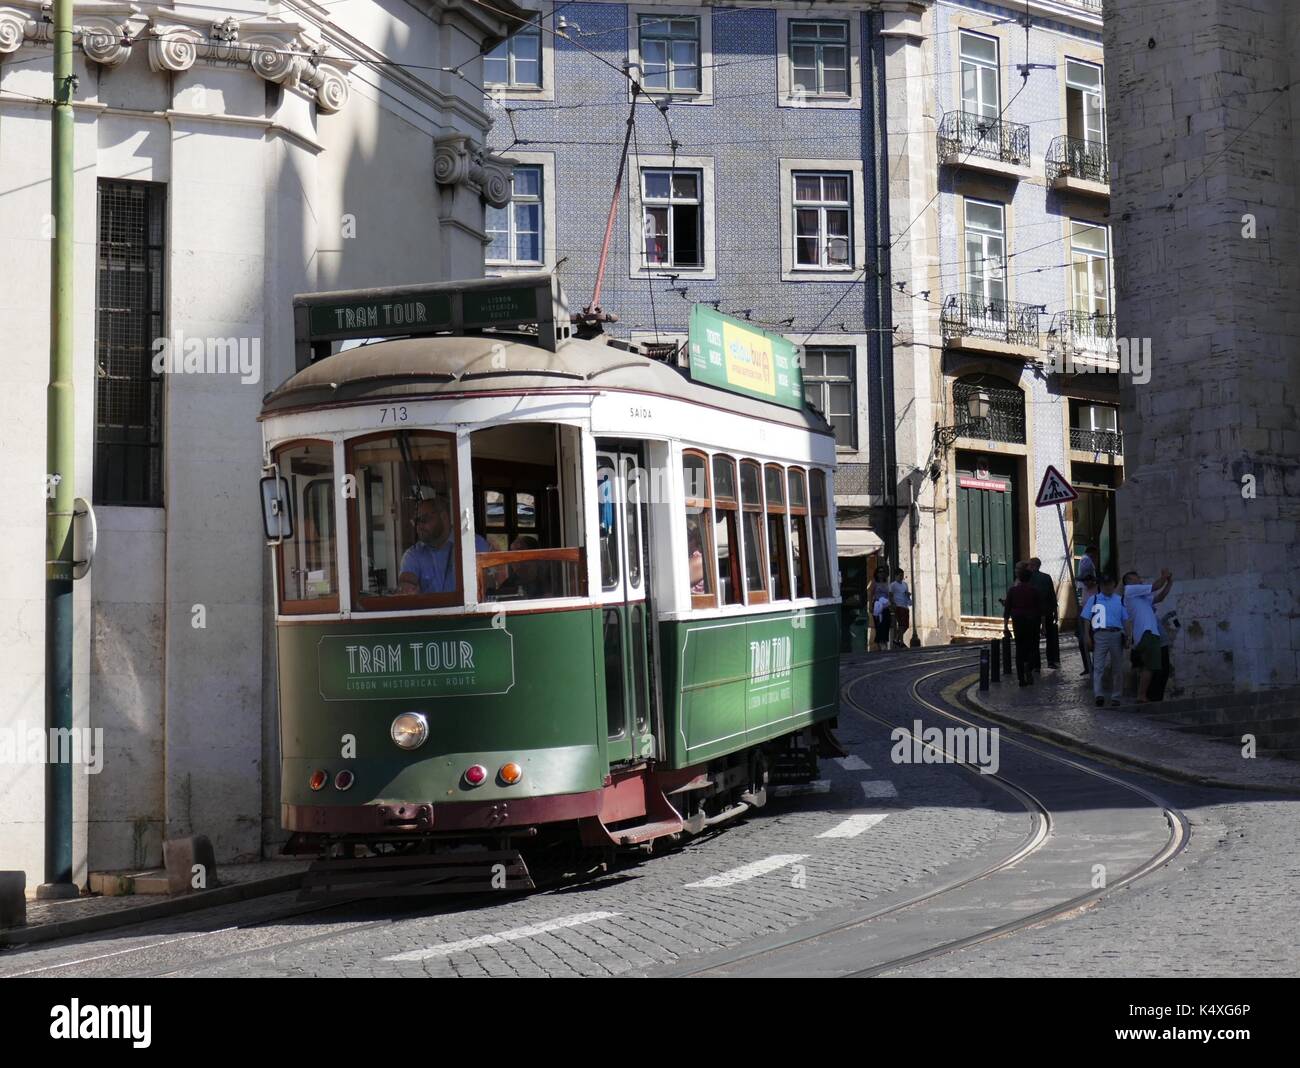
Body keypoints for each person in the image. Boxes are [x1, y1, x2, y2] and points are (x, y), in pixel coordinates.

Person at [398, 495, 490, 595]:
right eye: (416, 522)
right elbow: (407, 585)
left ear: (444, 517)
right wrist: (407, 589)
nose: (419, 526)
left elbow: (492, 584)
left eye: (424, 520)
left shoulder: (473, 544)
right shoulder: (413, 555)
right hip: (430, 610)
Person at [1122, 568, 1174, 703]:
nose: (1140, 580)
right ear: (1130, 581)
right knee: (1149, 666)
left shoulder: (1142, 597)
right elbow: (1155, 586)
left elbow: (1159, 597)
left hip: (1151, 632)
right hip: (1147, 632)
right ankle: (1141, 695)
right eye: (1137, 578)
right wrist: (1163, 576)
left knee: (1151, 665)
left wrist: (1169, 583)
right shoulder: (1129, 591)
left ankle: (1143, 694)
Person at [1083, 573, 1128, 707]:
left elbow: (1125, 620)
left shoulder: (1120, 600)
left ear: (1113, 585)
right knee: (1098, 666)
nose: (1107, 587)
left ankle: (1116, 696)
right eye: (1104, 585)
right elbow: (1086, 618)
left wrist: (1128, 636)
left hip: (1116, 634)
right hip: (1100, 634)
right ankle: (1099, 695)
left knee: (1118, 667)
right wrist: (1087, 635)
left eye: (1109, 584)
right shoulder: (1094, 599)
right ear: (1100, 586)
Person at [1004, 566, 1041, 686]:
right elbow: (1040, 610)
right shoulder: (1035, 590)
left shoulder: (1012, 591)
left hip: (1018, 622)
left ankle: (1021, 678)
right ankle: (1029, 667)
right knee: (1032, 648)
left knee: (1019, 649)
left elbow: (1007, 610)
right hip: (1032, 622)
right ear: (1030, 578)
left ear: (1019, 578)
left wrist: (1005, 627)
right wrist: (1043, 626)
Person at [1028, 557, 1057, 669]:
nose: (1028, 567)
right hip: (1048, 610)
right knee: (1050, 637)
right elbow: (1052, 595)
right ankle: (1051, 661)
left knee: (1034, 638)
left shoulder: (1028, 578)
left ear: (1034, 566)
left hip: (1034, 612)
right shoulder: (1047, 577)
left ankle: (1036, 664)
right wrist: (1056, 611)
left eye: (1030, 565)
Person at [1076, 573, 1098, 676]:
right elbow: (1082, 604)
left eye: (1086, 581)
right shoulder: (1084, 590)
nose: (1085, 583)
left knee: (1096, 643)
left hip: (1096, 618)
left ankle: (1095, 666)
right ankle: (1087, 666)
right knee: (1082, 642)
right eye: (1084, 581)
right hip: (1085, 618)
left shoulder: (1098, 589)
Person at [889, 568, 912, 649]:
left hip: (905, 605)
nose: (902, 577)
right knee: (901, 624)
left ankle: (896, 639)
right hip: (898, 606)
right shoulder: (893, 585)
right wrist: (893, 603)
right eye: (900, 575)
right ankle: (901, 642)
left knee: (906, 625)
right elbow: (890, 595)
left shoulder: (905, 584)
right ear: (896, 576)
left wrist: (908, 594)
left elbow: (906, 593)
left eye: (902, 575)